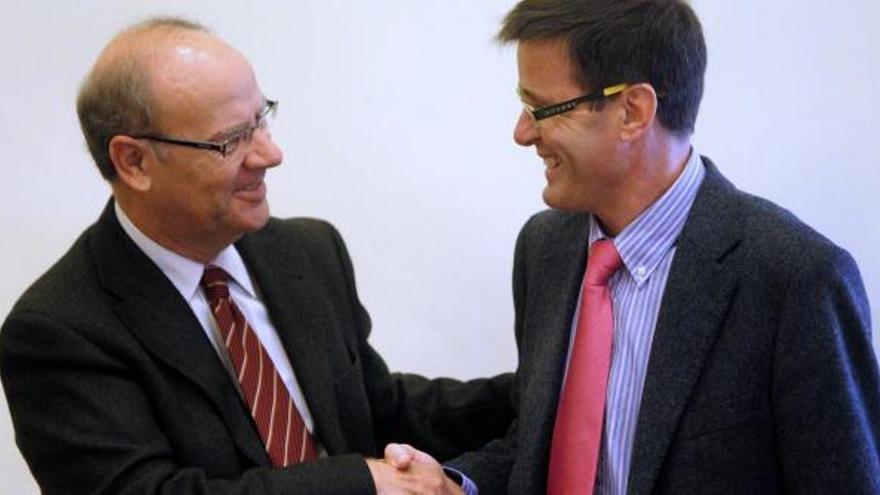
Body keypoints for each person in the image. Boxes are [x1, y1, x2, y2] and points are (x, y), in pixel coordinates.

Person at [0, 17, 512, 494]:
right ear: (133, 161)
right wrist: (359, 484)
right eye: (232, 139)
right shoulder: (58, 331)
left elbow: (376, 407)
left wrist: (544, 388)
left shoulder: (308, 252)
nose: (271, 154)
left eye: (262, 118)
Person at [395, 0, 880, 493]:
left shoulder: (797, 280)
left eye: (542, 109)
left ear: (633, 111)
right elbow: (538, 445)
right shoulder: (543, 249)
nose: (523, 132)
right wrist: (455, 485)